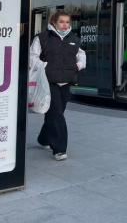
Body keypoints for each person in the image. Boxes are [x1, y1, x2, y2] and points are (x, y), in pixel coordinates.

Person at [29, 10, 86, 161]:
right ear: (54, 22)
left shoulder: (74, 38)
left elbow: (81, 54)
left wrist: (79, 65)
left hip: (66, 81)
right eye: (61, 22)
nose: (65, 25)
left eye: (67, 22)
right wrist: (44, 66)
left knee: (55, 112)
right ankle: (60, 149)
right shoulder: (42, 38)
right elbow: (32, 57)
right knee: (57, 115)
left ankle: (43, 139)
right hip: (49, 82)